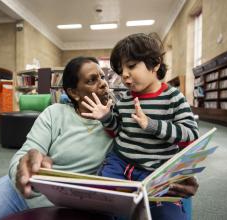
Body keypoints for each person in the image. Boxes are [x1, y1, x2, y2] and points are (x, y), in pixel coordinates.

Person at [0, 56, 199, 220]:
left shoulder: (124, 116)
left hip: (78, 206)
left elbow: (157, 151)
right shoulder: (55, 113)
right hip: (24, 193)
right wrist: (26, 166)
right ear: (74, 92)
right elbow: (24, 156)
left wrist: (177, 175)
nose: (103, 83)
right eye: (92, 80)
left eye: (103, 77)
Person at [81, 33, 199, 219]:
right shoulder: (125, 99)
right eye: (121, 70)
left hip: (157, 172)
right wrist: (106, 118)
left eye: (131, 66)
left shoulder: (174, 97)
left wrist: (151, 125)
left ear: (155, 64)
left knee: (169, 215)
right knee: (103, 207)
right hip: (120, 164)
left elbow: (191, 136)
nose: (124, 75)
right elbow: (117, 130)